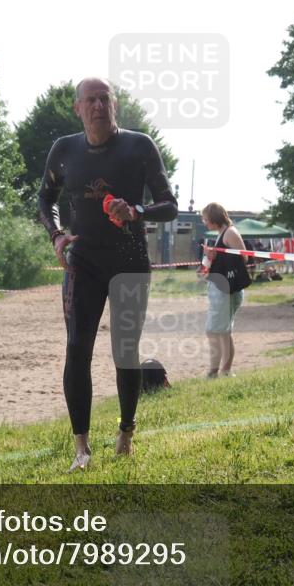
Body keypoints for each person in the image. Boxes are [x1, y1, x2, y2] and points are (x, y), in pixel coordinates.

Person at [37, 78, 178, 470]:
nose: (99, 106)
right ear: (77, 107)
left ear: (113, 104)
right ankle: (81, 447)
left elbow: (168, 204)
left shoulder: (139, 146)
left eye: (105, 99)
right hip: (82, 262)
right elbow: (45, 198)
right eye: (91, 100)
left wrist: (137, 211)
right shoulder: (64, 150)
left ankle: (125, 433)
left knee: (125, 351)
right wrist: (56, 236)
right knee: (77, 348)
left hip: (129, 260)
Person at [200, 203, 247, 379]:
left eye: (205, 219)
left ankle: (222, 371)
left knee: (220, 331)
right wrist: (212, 257)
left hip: (228, 289)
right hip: (220, 288)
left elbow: (243, 257)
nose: (204, 222)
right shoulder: (223, 233)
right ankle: (217, 370)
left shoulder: (231, 233)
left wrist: (216, 256)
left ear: (214, 218)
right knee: (217, 331)